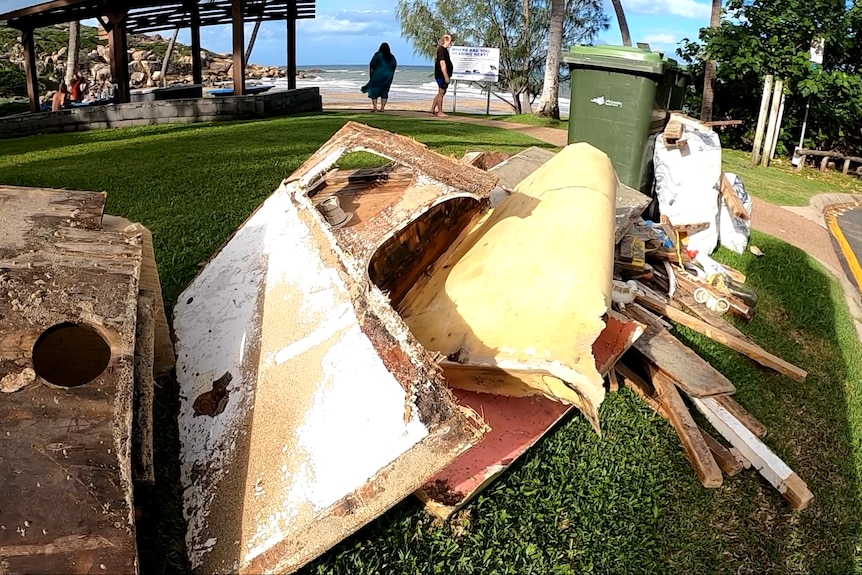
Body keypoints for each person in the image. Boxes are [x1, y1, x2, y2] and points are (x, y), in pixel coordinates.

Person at [366, 43, 397, 112]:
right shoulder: (391, 57)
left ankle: (375, 107)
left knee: (374, 91)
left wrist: (371, 76)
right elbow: (394, 66)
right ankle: (382, 108)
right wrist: (391, 75)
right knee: (385, 92)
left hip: (377, 76)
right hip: (387, 77)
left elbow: (372, 65)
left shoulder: (377, 55)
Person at [430, 34, 453, 117]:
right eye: (450, 40)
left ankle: (432, 108)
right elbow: (442, 64)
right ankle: (440, 111)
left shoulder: (445, 50)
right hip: (441, 75)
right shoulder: (441, 50)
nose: (451, 42)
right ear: (446, 40)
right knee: (441, 92)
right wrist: (446, 76)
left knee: (441, 92)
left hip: (443, 75)